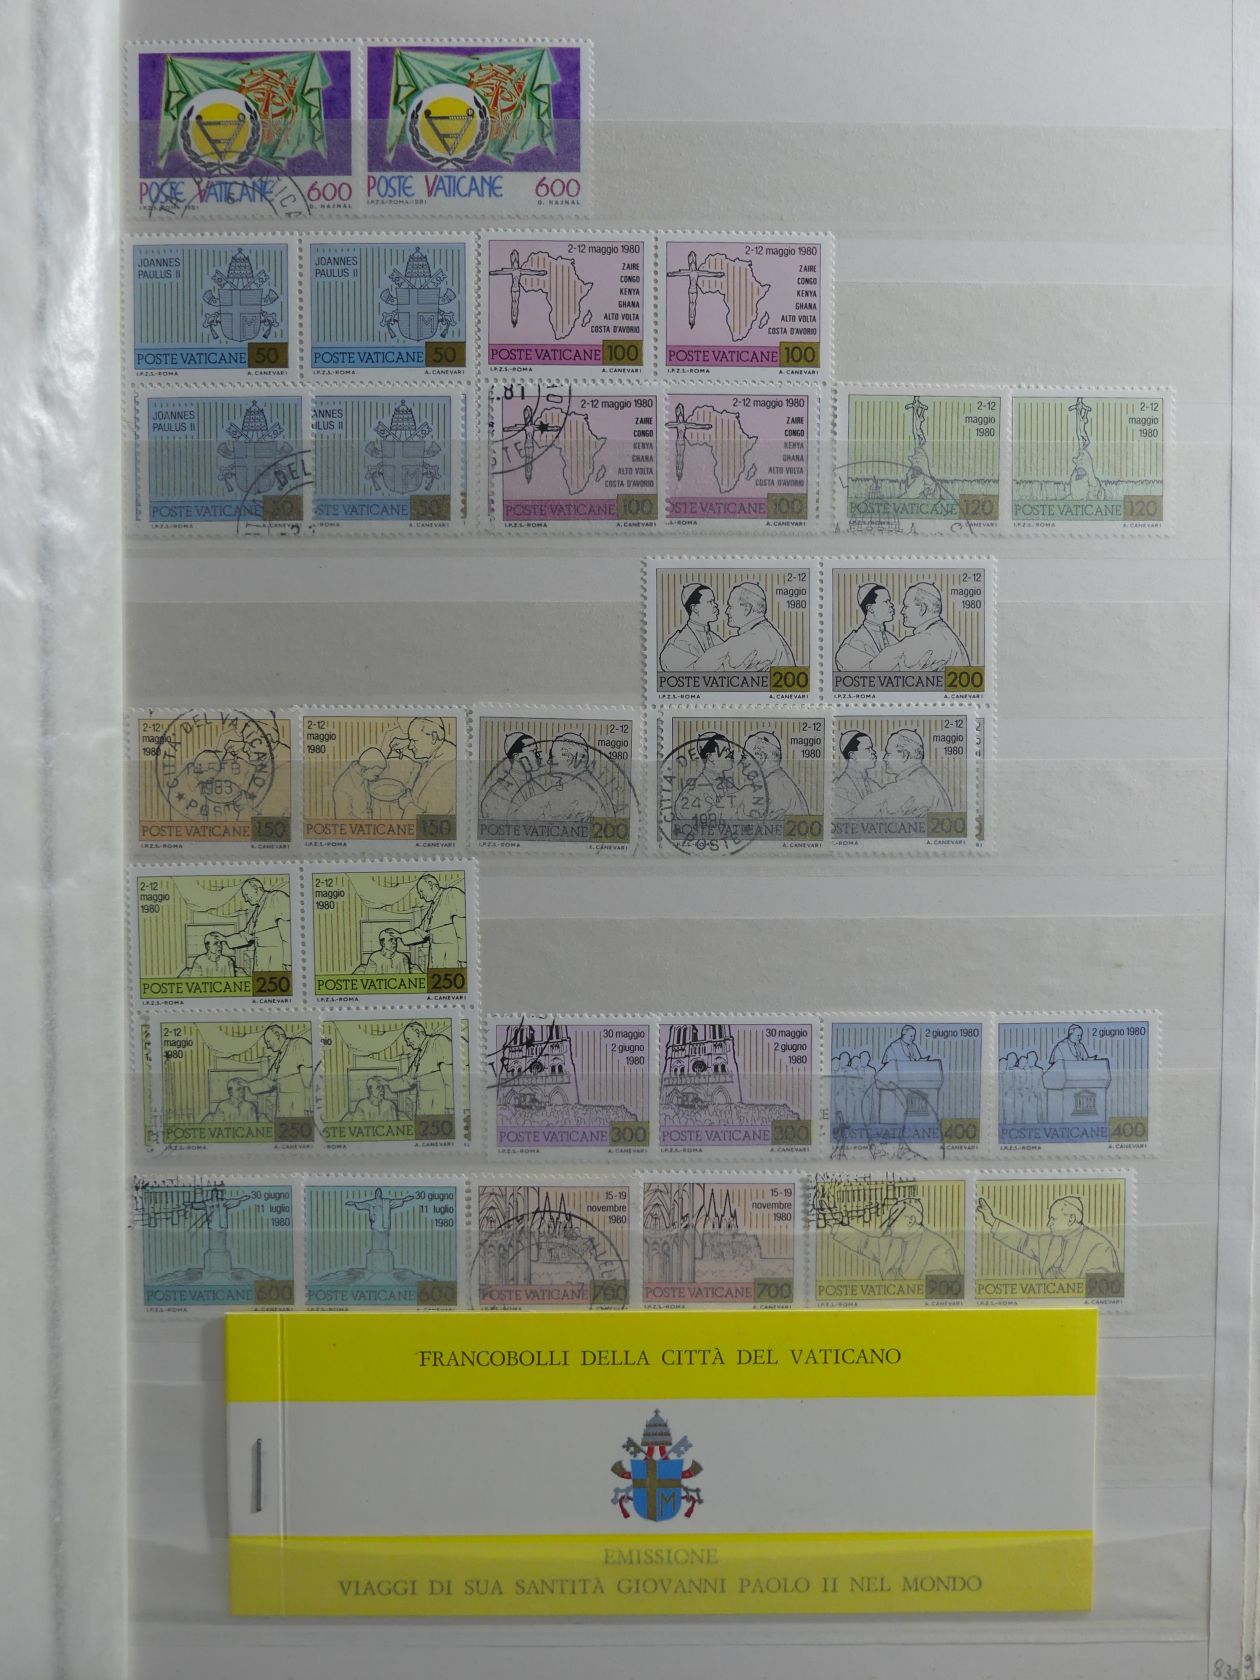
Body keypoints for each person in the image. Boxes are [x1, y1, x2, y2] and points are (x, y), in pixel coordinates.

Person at [977, 1194, 1120, 1279]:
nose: (1048, 1223)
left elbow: (1100, 1295)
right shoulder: (1049, 1241)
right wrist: (992, 1221)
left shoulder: (1100, 1247)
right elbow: (1022, 1241)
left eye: (1053, 1219)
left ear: (1071, 1219)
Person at [828, 1197, 960, 1280]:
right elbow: (864, 1243)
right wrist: (835, 1227)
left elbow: (941, 1296)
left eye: (893, 1219)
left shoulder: (940, 1248)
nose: (889, 1224)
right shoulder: (891, 1242)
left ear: (911, 1220)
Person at [868, 582, 971, 673]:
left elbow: (873, 669)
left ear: (922, 609)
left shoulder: (920, 641)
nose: (902, 611)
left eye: (906, 606)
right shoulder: (949, 635)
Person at [694, 581, 795, 672]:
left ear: (747, 609)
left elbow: (698, 668)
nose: (727, 611)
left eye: (731, 606)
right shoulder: (773, 635)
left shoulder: (745, 640)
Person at [516, 734, 616, 822]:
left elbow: (523, 815)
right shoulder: (585, 782)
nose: (549, 761)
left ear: (569, 759)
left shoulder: (576, 789)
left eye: (552, 756)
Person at [853, 730, 950, 818]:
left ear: (904, 755)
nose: (884, 759)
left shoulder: (904, 787)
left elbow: (858, 813)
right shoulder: (929, 780)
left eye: (888, 753)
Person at [248, 1024, 312, 1120]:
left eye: (268, 1041)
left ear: (277, 1035)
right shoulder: (278, 1058)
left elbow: (310, 1077)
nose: (268, 1046)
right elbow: (268, 1082)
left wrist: (308, 1106)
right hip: (283, 1106)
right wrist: (247, 1085)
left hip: (299, 1106)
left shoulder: (298, 1044)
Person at [399, 717, 458, 817]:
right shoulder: (437, 755)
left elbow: (434, 821)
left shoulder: (448, 769)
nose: (410, 746)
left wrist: (407, 805)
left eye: (414, 740)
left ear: (433, 738)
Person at [479, 732, 541, 823]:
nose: (538, 755)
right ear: (516, 756)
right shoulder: (497, 792)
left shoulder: (537, 787)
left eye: (536, 751)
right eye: (532, 751)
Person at [743, 731, 807, 818]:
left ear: (760, 757)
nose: (742, 761)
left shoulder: (775, 786)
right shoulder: (777, 780)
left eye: (745, 756)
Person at [834, 583, 897, 670]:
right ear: (870, 608)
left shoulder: (891, 638)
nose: (891, 605)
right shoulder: (854, 643)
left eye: (889, 601)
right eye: (886, 602)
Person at [660, 584, 722, 670]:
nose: (715, 605)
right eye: (710, 602)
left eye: (714, 601)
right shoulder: (678, 643)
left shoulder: (716, 639)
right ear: (694, 608)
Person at [237, 876, 290, 972]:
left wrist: (288, 962)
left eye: (246, 895)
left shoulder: (276, 897)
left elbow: (288, 933)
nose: (246, 899)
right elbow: (246, 935)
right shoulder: (257, 909)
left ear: (256, 889)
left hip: (276, 960)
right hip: (261, 960)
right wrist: (225, 939)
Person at [414, 873, 466, 970]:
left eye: (421, 891)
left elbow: (463, 929)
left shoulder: (451, 894)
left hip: (451, 960)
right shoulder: (432, 908)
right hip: (436, 960)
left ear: (430, 884)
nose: (421, 896)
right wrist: (399, 936)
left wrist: (464, 959)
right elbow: (420, 932)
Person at [331, 746, 388, 819]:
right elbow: (344, 820)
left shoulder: (363, 773)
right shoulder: (342, 789)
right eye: (376, 775)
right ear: (363, 769)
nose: (377, 778)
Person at [832, 731, 880, 815]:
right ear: (852, 755)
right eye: (868, 749)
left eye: (872, 748)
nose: (873, 752)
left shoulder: (874, 786)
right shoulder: (840, 788)